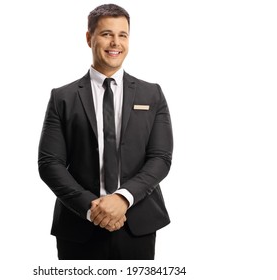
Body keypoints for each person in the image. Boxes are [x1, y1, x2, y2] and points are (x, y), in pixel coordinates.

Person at [38, 3, 173, 260]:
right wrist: (92, 209)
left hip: (137, 224)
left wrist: (122, 199)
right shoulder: (62, 98)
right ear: (89, 38)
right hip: (79, 224)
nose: (116, 43)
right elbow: (49, 163)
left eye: (123, 35)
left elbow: (160, 158)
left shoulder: (152, 94)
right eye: (106, 34)